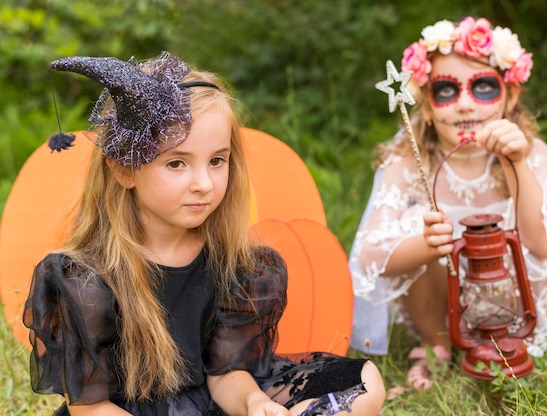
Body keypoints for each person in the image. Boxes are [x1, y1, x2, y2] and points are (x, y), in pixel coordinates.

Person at [23, 52, 386, 415]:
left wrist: (254, 402)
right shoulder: (84, 281)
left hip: (214, 401)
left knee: (363, 384)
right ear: (124, 171)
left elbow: (226, 374)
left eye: (217, 161)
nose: (203, 184)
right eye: (176, 163)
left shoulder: (235, 265)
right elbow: (91, 407)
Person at [349, 16, 547, 390]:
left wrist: (515, 163)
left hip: (508, 302)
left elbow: (542, 246)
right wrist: (424, 243)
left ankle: (504, 342)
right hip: (438, 301)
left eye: (483, 87)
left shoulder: (530, 154)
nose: (466, 105)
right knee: (419, 221)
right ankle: (436, 344)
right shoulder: (406, 161)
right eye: (447, 91)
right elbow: (367, 257)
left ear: (510, 96)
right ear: (428, 107)